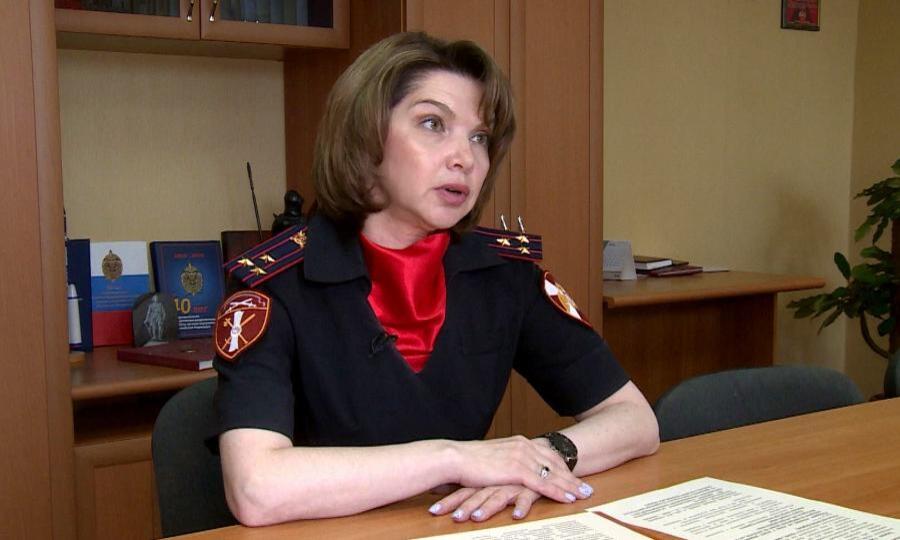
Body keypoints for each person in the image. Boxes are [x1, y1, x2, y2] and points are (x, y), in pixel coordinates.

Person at [212, 31, 659, 528]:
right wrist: (455, 458)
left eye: (479, 137)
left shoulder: (504, 273)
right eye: (433, 124)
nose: (465, 158)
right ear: (365, 137)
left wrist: (541, 459)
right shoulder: (273, 284)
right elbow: (256, 489)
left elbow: (635, 420)